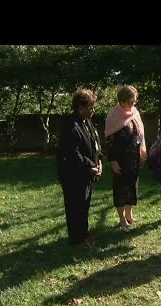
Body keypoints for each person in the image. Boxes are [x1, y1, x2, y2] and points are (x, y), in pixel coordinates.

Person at [57, 88, 103, 248]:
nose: (93, 110)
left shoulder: (87, 122)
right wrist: (90, 166)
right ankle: (76, 239)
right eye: (91, 107)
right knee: (75, 207)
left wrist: (99, 162)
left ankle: (84, 234)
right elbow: (72, 153)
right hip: (73, 175)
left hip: (87, 174)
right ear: (80, 107)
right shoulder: (71, 126)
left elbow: (95, 143)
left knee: (84, 206)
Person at [105, 85, 147, 230]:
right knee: (121, 188)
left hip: (134, 158)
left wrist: (141, 150)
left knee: (132, 187)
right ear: (122, 101)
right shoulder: (113, 115)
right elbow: (109, 140)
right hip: (120, 159)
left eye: (134, 102)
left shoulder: (134, 112)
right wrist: (112, 160)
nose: (132, 105)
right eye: (130, 102)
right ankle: (122, 219)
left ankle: (129, 214)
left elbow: (140, 134)